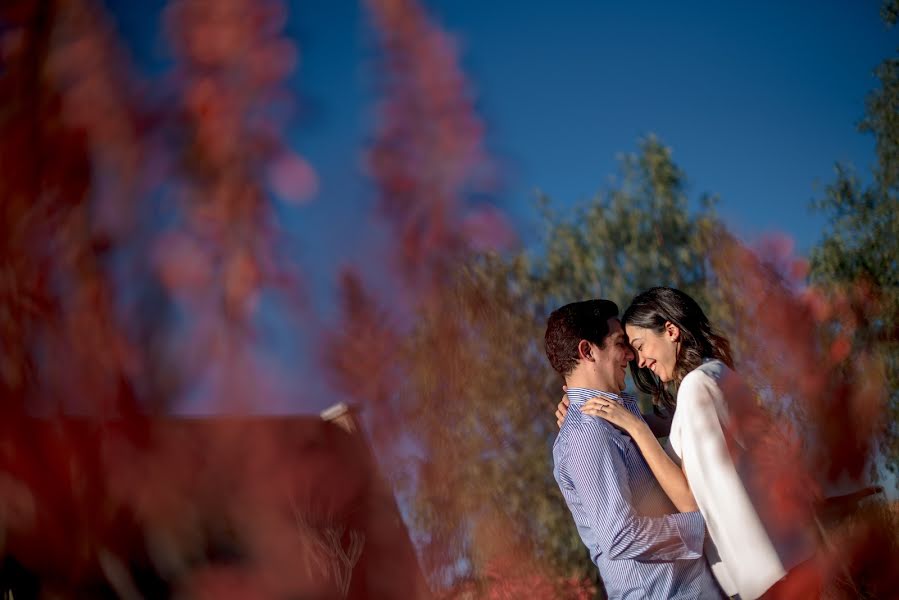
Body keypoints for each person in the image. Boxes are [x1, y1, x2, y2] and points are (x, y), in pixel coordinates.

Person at [556, 288, 817, 599]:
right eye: (625, 346)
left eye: (637, 346)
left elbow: (691, 499)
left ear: (670, 331)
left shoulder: (696, 389)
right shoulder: (713, 376)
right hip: (778, 561)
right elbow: (624, 531)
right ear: (587, 352)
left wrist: (635, 427)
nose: (635, 359)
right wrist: (589, 417)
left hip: (766, 575)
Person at [545, 299, 724, 599]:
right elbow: (619, 536)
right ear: (587, 351)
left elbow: (676, 419)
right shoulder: (587, 434)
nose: (631, 354)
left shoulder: (613, 416)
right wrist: (703, 523)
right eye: (620, 343)